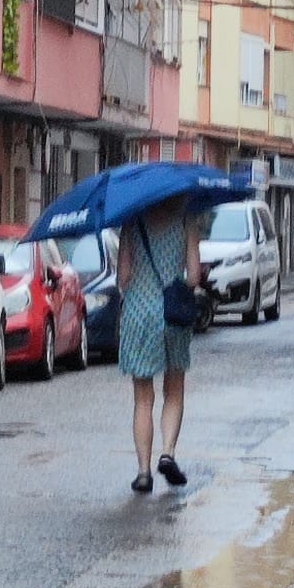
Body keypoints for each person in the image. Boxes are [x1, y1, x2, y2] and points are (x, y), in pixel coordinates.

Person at [115, 197, 200, 494]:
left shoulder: (132, 222)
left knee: (142, 398)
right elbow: (193, 277)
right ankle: (168, 453)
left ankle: (142, 473)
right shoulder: (186, 220)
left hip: (139, 311)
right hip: (172, 312)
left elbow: (123, 277)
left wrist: (137, 286)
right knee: (174, 389)